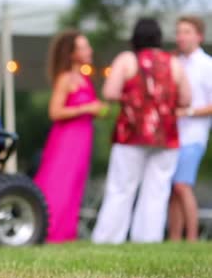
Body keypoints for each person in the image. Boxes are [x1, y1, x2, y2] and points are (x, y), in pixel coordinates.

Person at [92, 18, 191, 244]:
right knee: (157, 190)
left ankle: (109, 237)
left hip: (131, 133)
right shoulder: (174, 63)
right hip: (166, 135)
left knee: (121, 187)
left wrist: (133, 99)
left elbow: (109, 92)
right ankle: (148, 238)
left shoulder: (127, 59)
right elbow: (186, 98)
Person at [33, 30, 102, 243]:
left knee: (75, 185)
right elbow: (55, 112)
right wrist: (87, 108)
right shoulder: (65, 78)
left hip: (83, 138)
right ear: (72, 53)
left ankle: (66, 232)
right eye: (84, 47)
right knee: (58, 182)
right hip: (67, 139)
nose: (89, 51)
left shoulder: (84, 77)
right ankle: (48, 229)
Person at [168, 15, 212, 242]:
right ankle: (174, 239)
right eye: (179, 32)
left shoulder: (207, 65)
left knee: (182, 186)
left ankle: (192, 238)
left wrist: (189, 112)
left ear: (199, 36)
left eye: (186, 32)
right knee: (173, 191)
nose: (181, 37)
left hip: (194, 136)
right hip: (172, 135)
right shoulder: (175, 63)